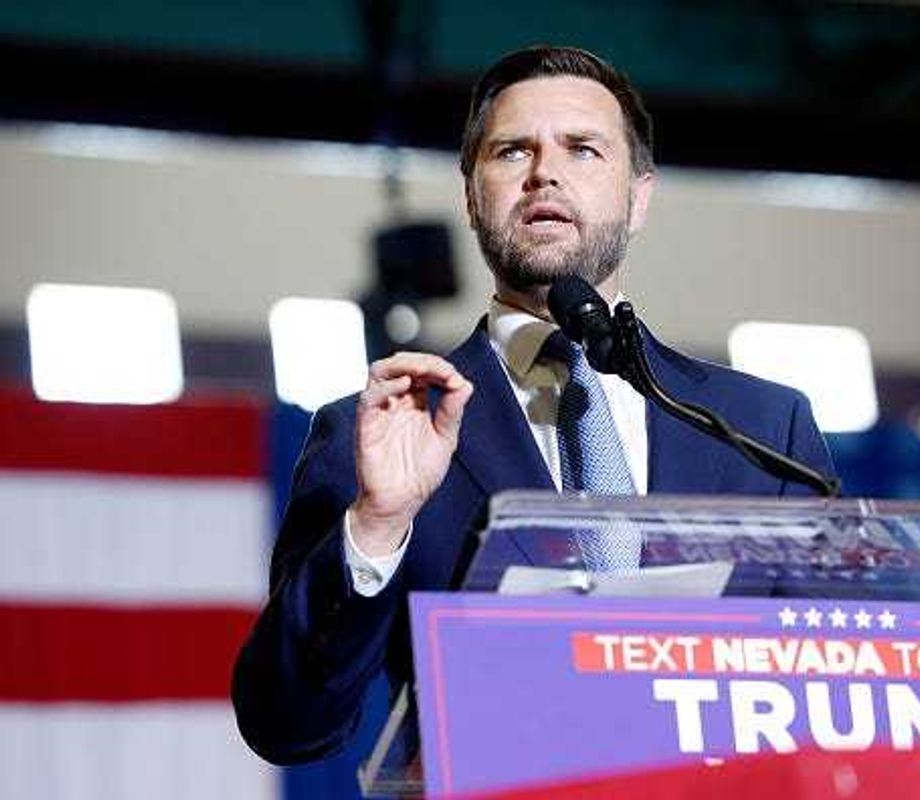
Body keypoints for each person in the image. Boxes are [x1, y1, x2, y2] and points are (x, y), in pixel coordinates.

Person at [232, 45, 835, 765]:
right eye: (513, 150)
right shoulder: (380, 429)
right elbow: (286, 722)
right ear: (471, 194)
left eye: (582, 149)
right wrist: (376, 524)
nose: (545, 170)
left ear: (639, 196)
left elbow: (831, 689)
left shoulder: (764, 431)